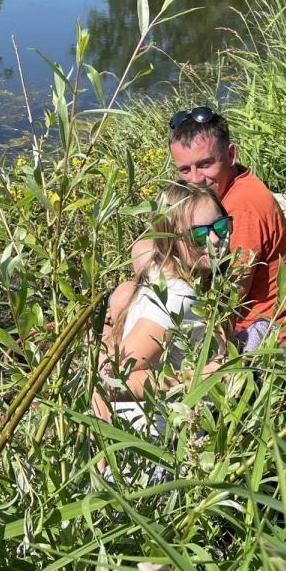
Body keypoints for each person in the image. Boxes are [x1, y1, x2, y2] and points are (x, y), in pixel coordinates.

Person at [131, 106, 286, 348]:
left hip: (262, 330)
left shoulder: (242, 206)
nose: (195, 178)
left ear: (231, 154)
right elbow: (148, 242)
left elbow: (230, 297)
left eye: (205, 164)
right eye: (184, 170)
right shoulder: (222, 189)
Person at [93, 181, 232, 433]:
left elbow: (143, 248)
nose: (215, 239)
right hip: (158, 449)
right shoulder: (178, 298)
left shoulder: (166, 269)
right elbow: (112, 381)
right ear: (171, 241)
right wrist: (201, 378)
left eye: (221, 226)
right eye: (198, 235)